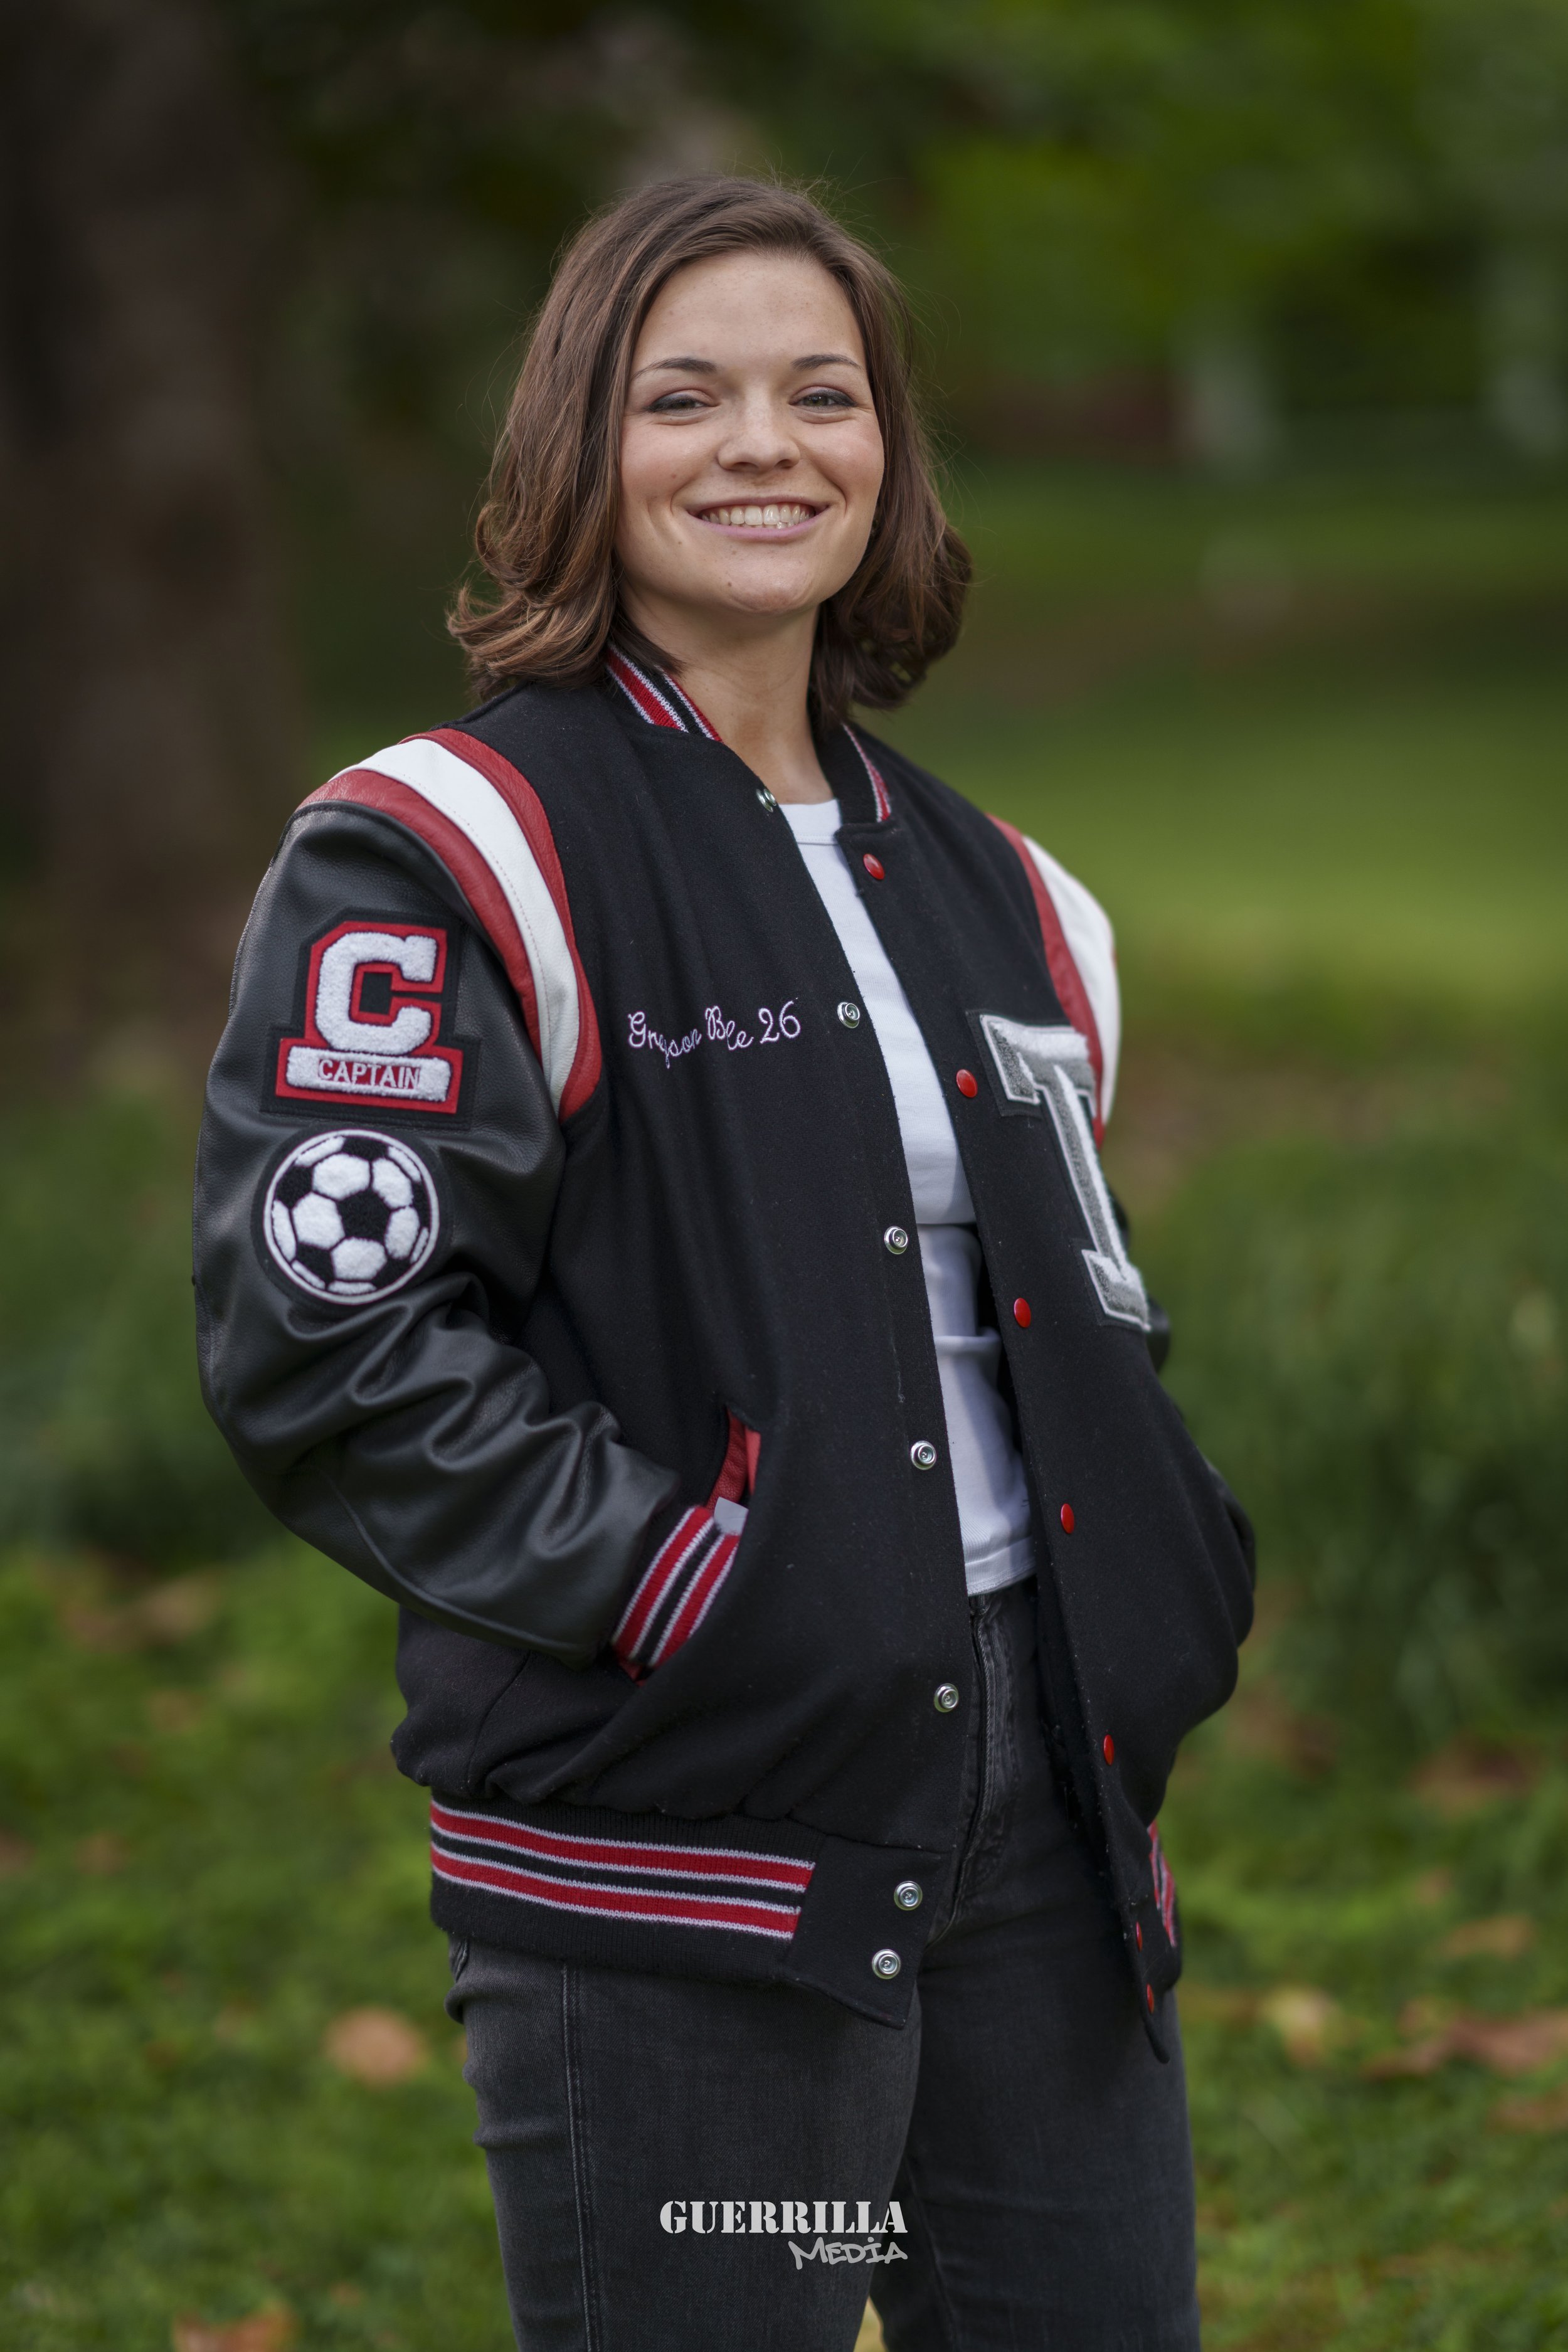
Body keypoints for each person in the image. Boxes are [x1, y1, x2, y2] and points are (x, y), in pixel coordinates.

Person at [194, 174, 1254, 2352]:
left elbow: (1067, 1325)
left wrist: (1161, 1573)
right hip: (694, 1846)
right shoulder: (449, 847)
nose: (762, 444)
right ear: (578, 447)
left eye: (819, 394)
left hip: (1048, 1836)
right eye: (683, 397)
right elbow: (337, 1346)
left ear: (886, 449)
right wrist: (708, 1595)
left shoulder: (1008, 889)